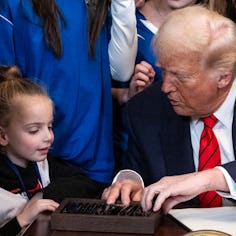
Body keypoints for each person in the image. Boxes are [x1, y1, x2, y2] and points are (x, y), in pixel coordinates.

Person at [102, 5, 236, 213]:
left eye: (180, 77)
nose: (165, 87)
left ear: (223, 77)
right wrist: (133, 184)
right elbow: (136, 171)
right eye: (164, 72)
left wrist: (210, 179)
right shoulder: (147, 108)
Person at [0, 0, 137, 186]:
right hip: (32, 160)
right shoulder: (13, 5)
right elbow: (5, 82)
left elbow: (120, 71)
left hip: (93, 155)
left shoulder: (100, 5)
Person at [0, 65, 108, 235]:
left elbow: (84, 183)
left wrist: (42, 196)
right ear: (3, 136)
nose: (48, 137)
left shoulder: (43, 164)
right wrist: (22, 219)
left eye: (49, 126)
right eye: (34, 130)